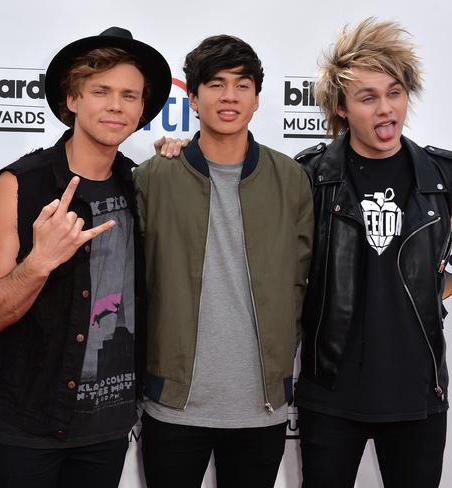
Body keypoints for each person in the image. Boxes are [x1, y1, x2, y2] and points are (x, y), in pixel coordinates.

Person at [0, 27, 171, 488]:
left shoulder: (143, 186)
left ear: (143, 110)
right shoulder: (19, 184)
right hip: (29, 422)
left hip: (109, 422)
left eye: (129, 95)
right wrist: (39, 261)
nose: (116, 106)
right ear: (73, 99)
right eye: (101, 91)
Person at [133, 34, 313, 488]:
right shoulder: (155, 175)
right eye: (215, 84)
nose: (229, 96)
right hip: (172, 402)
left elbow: (303, 280)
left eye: (242, 84)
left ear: (256, 99)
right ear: (192, 97)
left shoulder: (291, 178)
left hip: (262, 407)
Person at [295, 18, 452, 488]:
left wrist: (434, 290)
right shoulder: (309, 177)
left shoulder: (441, 178)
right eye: (368, 97)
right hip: (330, 395)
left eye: (395, 92)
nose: (386, 110)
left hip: (418, 393)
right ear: (341, 108)